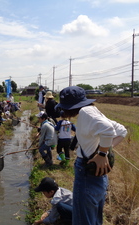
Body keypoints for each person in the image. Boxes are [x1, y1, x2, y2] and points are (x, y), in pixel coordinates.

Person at [56, 86, 127, 225]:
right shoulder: (93, 111)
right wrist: (104, 151)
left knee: (83, 220)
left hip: (87, 175)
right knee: (93, 219)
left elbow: (108, 130)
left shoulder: (85, 112)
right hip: (97, 177)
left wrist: (102, 154)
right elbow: (121, 131)